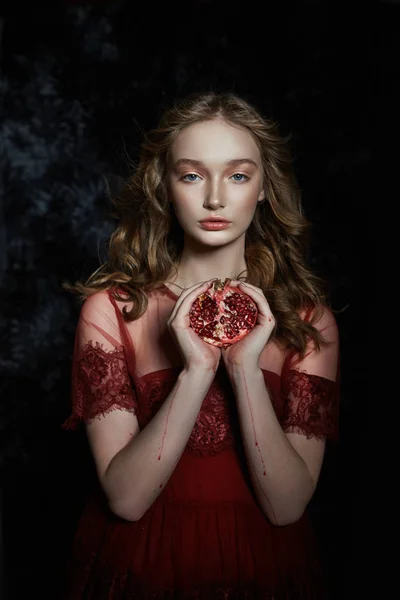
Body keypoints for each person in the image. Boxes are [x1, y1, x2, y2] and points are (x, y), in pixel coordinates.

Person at [61, 91, 340, 599]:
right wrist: (194, 371)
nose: (215, 198)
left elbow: (286, 507)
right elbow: (125, 500)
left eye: (238, 175)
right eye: (191, 175)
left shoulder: (307, 321)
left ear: (263, 188)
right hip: (142, 564)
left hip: (264, 567)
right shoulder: (112, 311)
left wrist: (245, 370)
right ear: (165, 187)